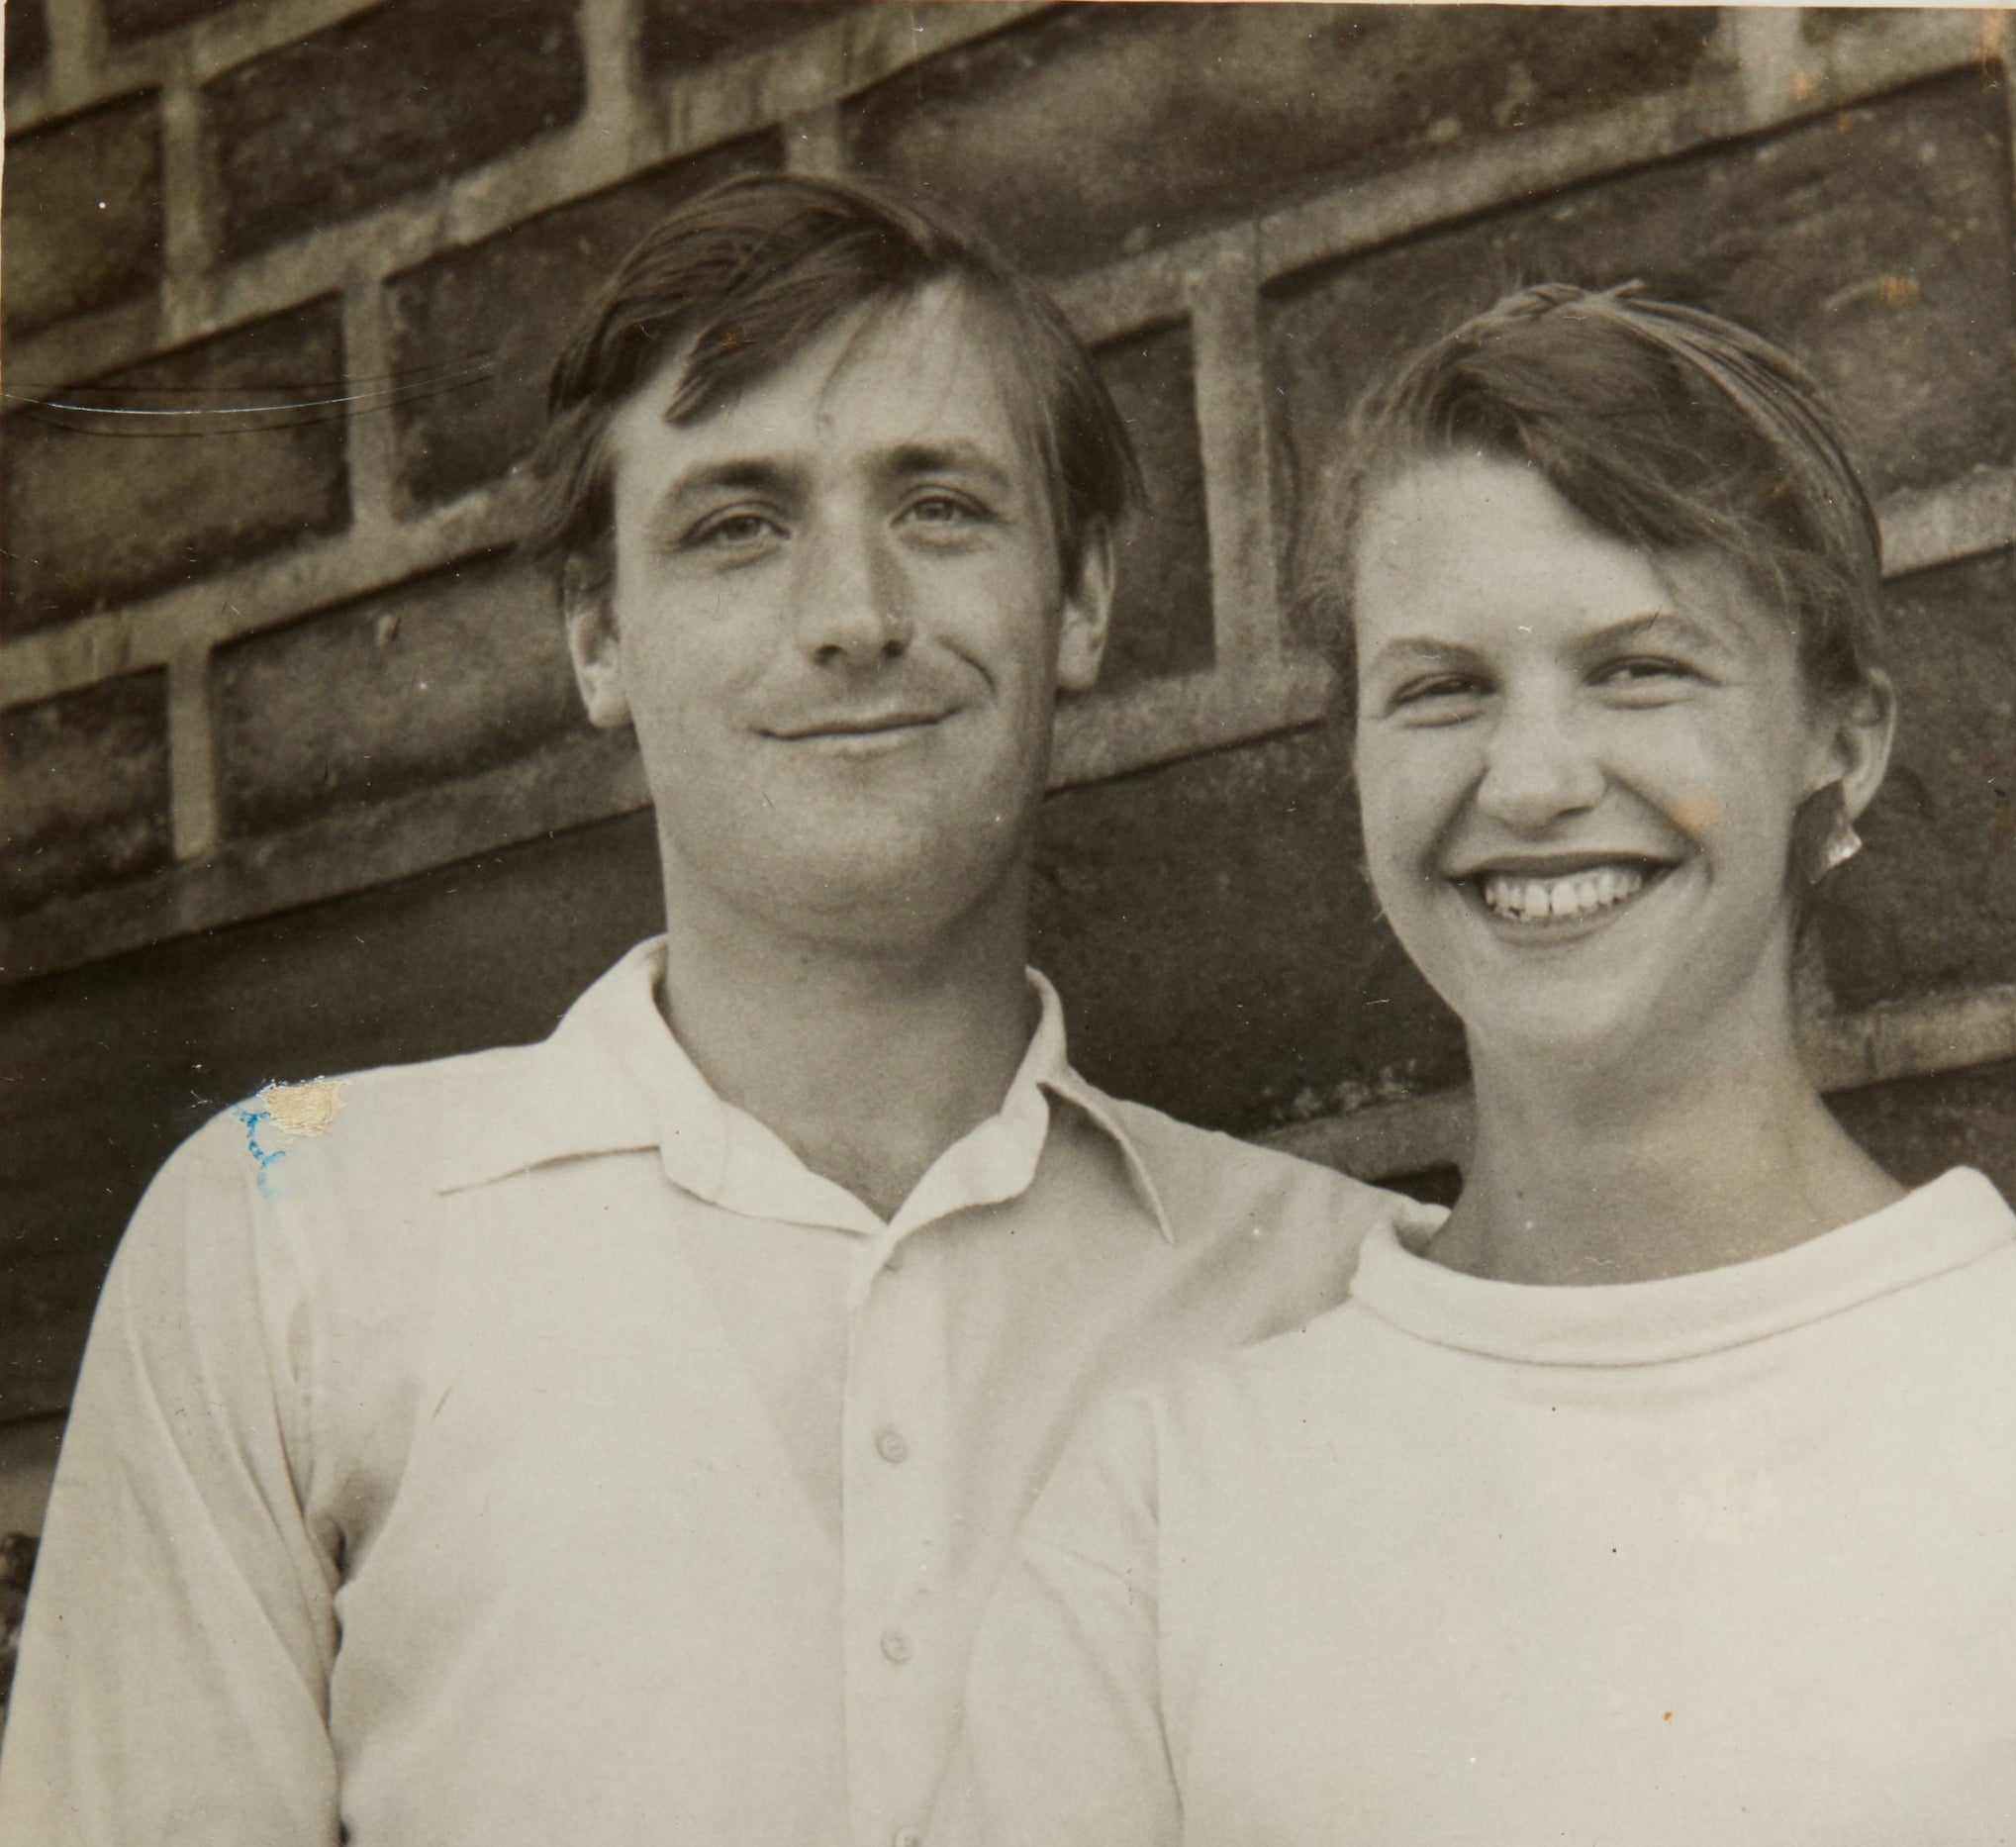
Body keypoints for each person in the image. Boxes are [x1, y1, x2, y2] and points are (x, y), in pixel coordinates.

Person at [928, 285, 2016, 1845]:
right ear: (1357, 759)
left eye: (1642, 668)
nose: (1534, 778)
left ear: (1838, 739)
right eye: (1442, 688)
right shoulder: (1173, 1502)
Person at [0, 175, 1398, 1847]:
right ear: (597, 636)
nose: (855, 616)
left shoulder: (1349, 1298)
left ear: (1082, 597)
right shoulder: (291, 1235)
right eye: (737, 524)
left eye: (941, 506)